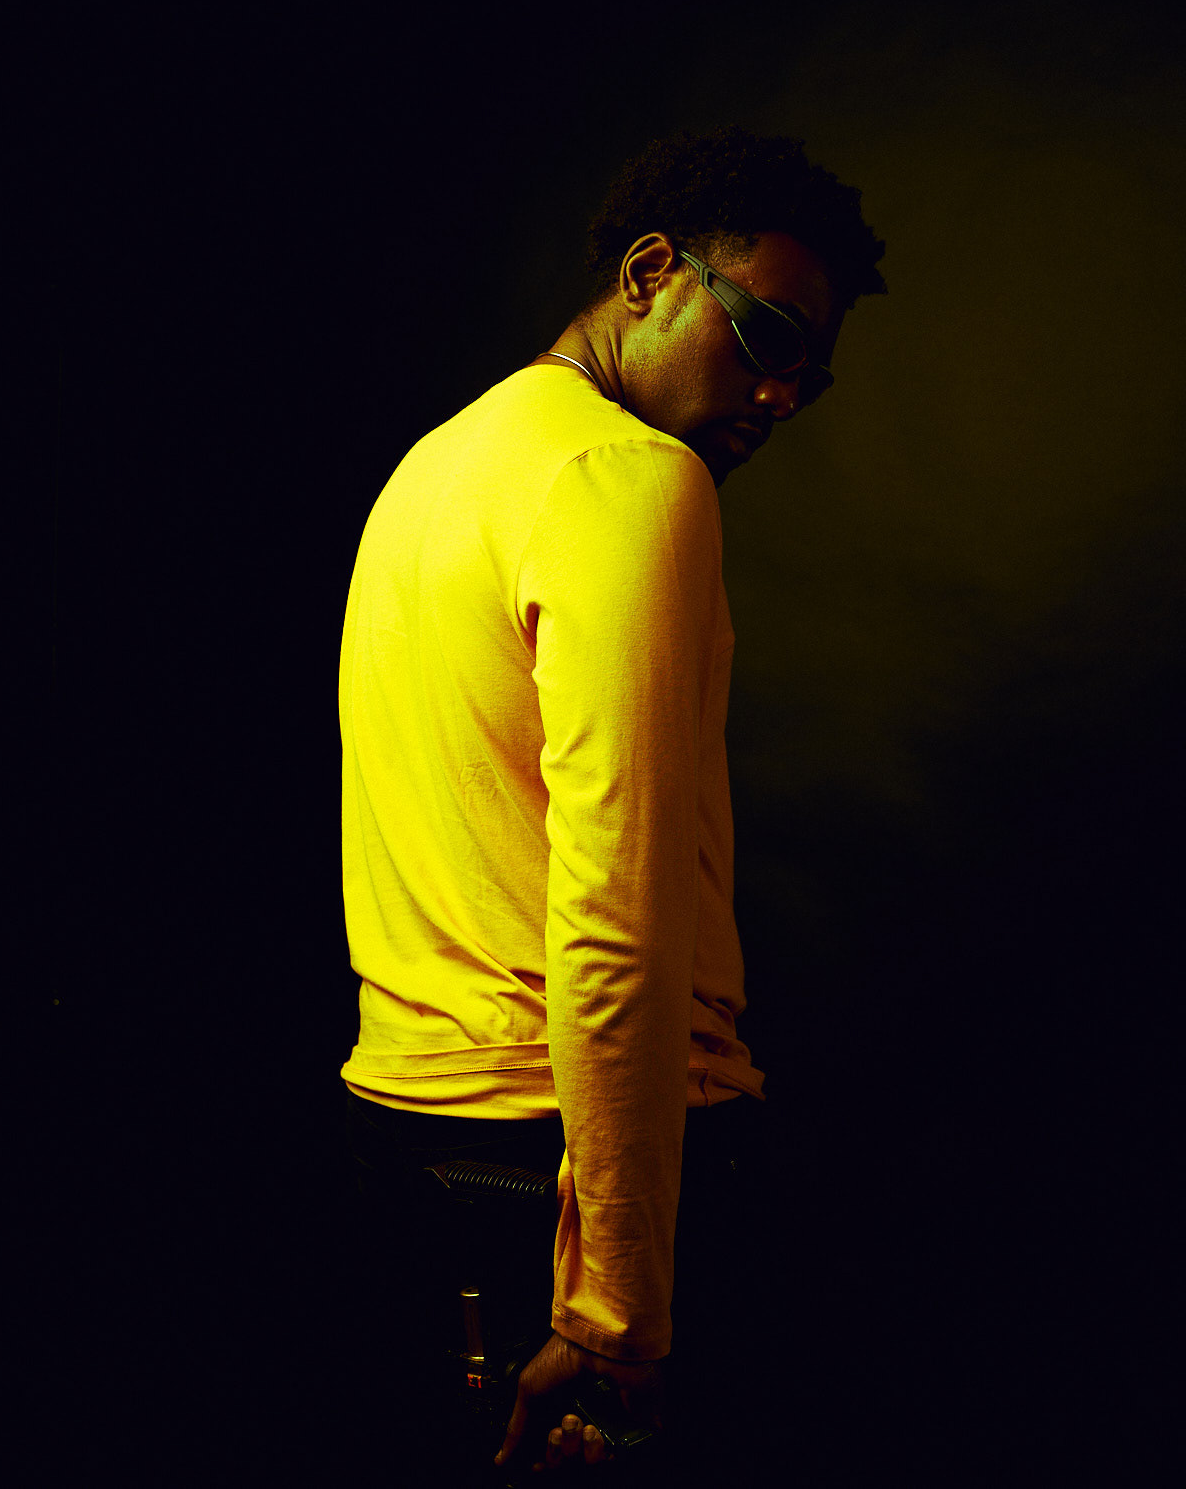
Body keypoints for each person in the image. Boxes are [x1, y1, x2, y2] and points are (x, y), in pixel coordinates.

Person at [338, 126, 886, 1478]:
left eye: (810, 373)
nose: (781, 394)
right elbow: (615, 912)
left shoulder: (434, 467)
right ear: (651, 273)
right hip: (576, 1175)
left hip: (406, 1138)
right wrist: (617, 1305)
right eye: (766, 336)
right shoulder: (632, 477)